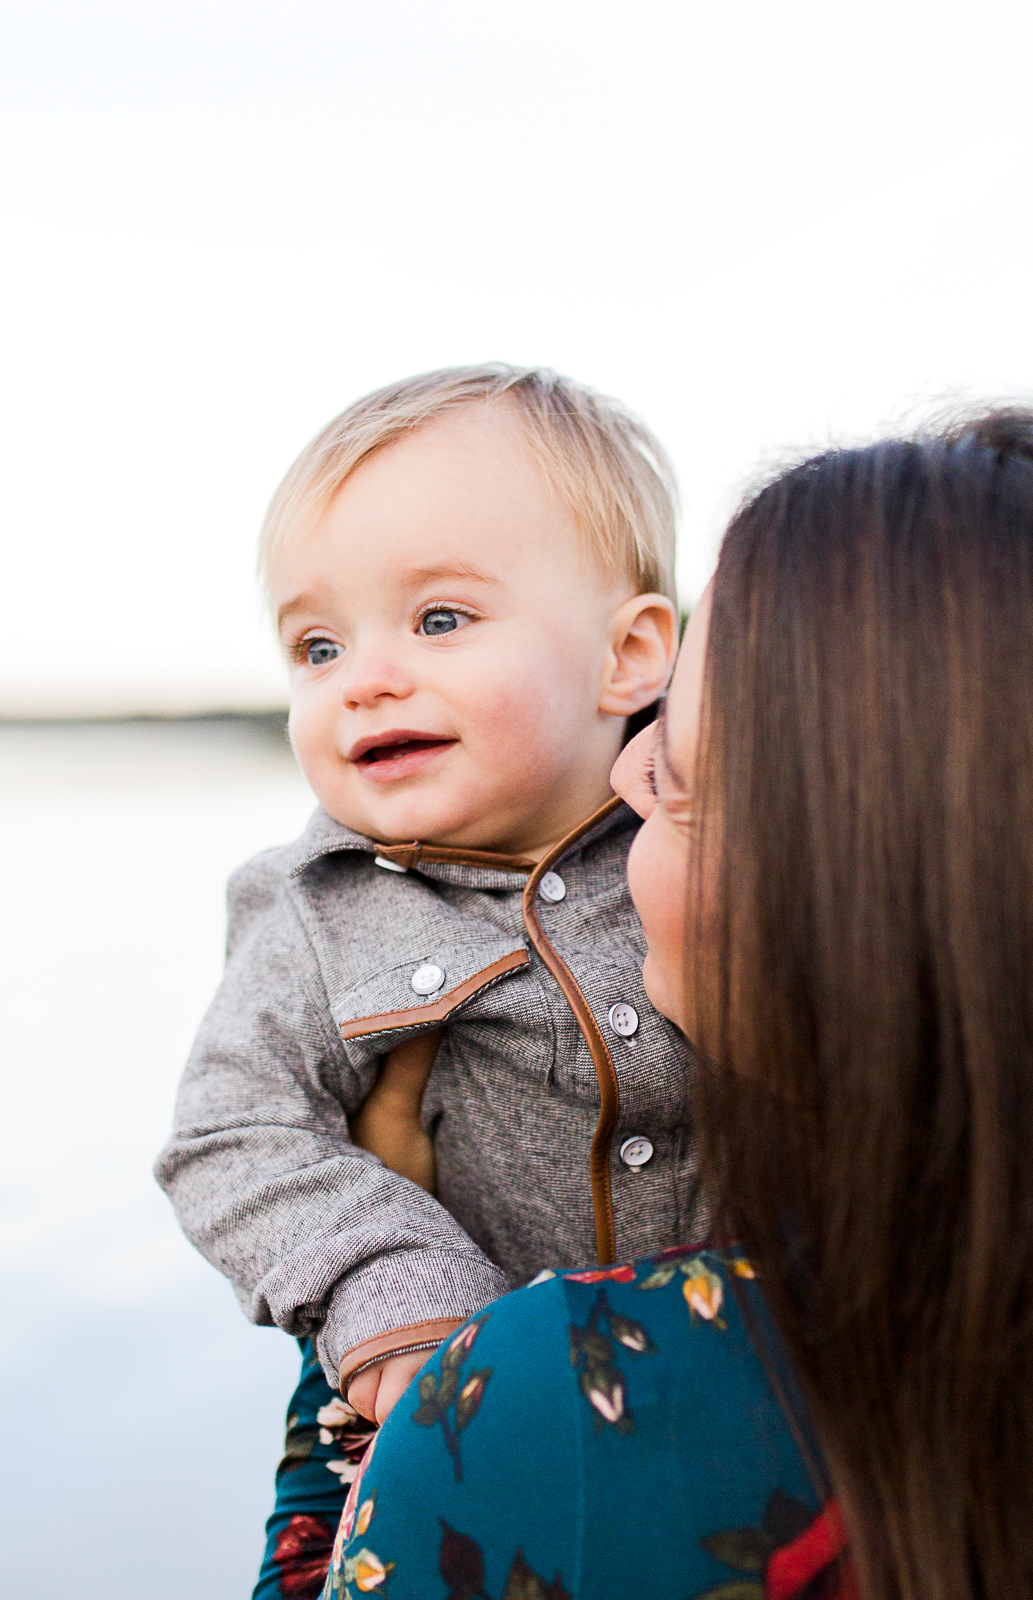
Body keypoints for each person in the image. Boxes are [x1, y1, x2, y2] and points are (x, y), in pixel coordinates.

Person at [324, 408, 1033, 1600]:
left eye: (673, 776)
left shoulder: (556, 1408)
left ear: (855, 905)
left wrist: (377, 1305)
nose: (621, 773)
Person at [154, 365, 709, 1595]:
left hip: (735, 1388)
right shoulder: (313, 904)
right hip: (435, 1398)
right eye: (316, 643)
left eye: (440, 621)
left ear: (629, 655)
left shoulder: (713, 844)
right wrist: (395, 1294)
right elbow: (230, 1134)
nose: (364, 676)